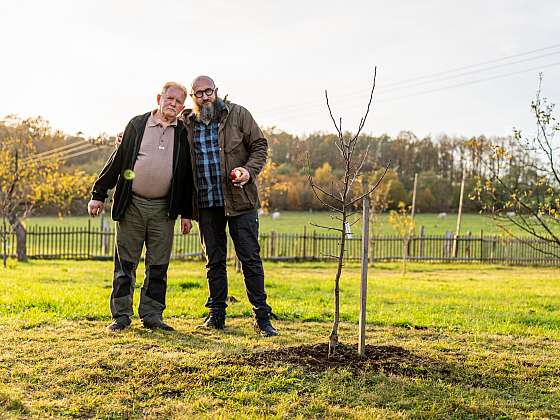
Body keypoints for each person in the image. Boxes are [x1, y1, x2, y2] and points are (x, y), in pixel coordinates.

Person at [88, 82, 194, 332]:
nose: (173, 104)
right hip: (132, 205)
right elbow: (118, 160)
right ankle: (121, 316)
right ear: (159, 97)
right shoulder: (137, 124)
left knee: (158, 265)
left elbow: (186, 176)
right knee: (125, 263)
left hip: (163, 209)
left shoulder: (183, 133)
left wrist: (187, 213)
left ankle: (152, 315)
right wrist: (98, 194)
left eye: (179, 102)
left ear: (182, 106)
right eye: (170, 98)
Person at [182, 75, 278, 337]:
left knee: (250, 259)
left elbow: (260, 146)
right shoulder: (187, 123)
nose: (205, 97)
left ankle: (262, 317)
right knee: (214, 262)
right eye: (198, 93)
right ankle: (216, 314)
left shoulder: (238, 114)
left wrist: (248, 171)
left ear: (217, 91)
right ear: (193, 97)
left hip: (240, 201)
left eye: (208, 91)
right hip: (206, 203)